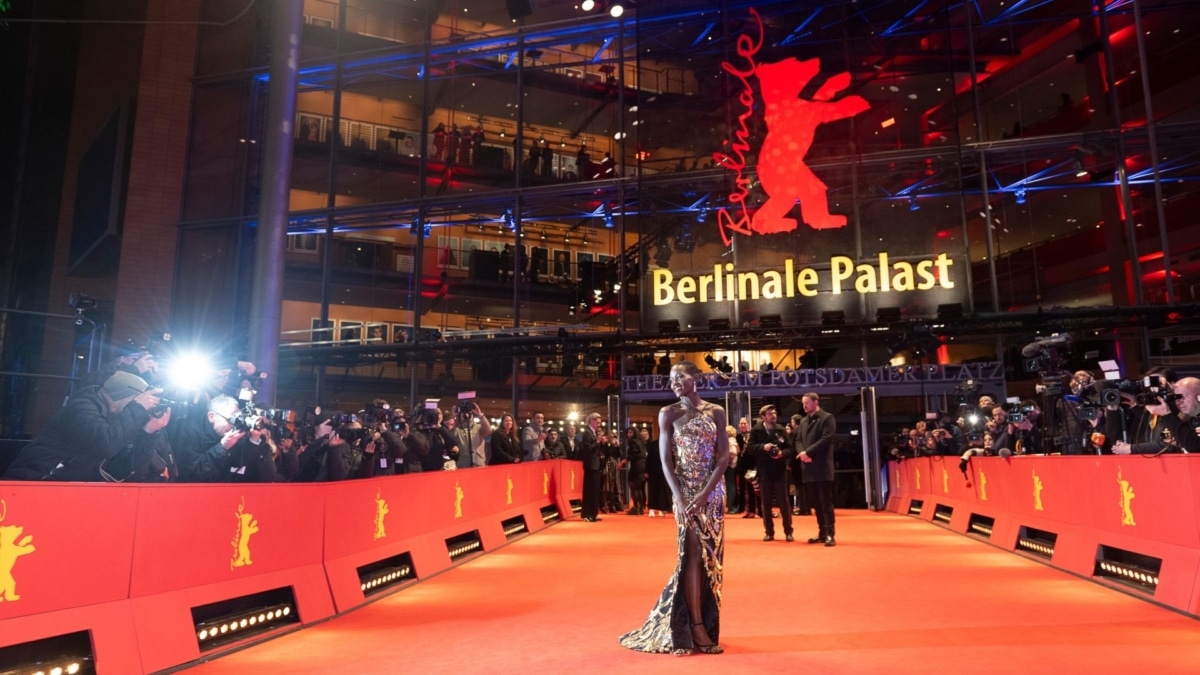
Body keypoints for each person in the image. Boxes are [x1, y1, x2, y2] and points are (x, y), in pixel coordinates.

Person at [619, 360, 728, 655]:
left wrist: (706, 493)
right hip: (684, 492)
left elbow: (723, 457)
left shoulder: (716, 412)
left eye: (679, 376)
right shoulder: (668, 413)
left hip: (713, 494)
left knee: (710, 559)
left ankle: (702, 619)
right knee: (691, 554)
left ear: (696, 378)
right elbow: (666, 460)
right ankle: (694, 626)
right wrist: (679, 499)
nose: (674, 382)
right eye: (671, 379)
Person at [3, 371, 167, 481]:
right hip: (35, 483)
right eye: (140, 400)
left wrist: (149, 432)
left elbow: (129, 472)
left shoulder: (119, 417)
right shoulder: (81, 408)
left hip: (71, 490)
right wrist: (136, 407)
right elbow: (106, 445)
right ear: (121, 395)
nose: (146, 407)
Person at [748, 404, 794, 542]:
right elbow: (750, 448)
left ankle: (788, 531)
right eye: (769, 413)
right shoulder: (756, 430)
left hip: (779, 470)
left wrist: (781, 454)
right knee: (766, 503)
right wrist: (764, 447)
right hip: (764, 471)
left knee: (784, 503)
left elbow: (790, 449)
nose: (773, 415)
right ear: (763, 416)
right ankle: (769, 532)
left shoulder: (780, 429)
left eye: (774, 413)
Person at [796, 392, 837, 546]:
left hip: (822, 467)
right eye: (803, 403)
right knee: (816, 503)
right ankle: (821, 532)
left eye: (806, 402)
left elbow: (826, 439)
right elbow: (798, 439)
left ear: (815, 402)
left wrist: (808, 452)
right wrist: (802, 453)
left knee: (826, 502)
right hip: (807, 467)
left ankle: (830, 534)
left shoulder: (827, 418)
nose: (804, 405)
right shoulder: (804, 421)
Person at [578, 412, 606, 522]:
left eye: (600, 422)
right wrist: (598, 441)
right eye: (597, 422)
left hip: (596, 465)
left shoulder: (593, 433)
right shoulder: (587, 433)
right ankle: (588, 514)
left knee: (595, 490)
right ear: (591, 421)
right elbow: (587, 449)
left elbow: (595, 448)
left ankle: (593, 514)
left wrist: (601, 442)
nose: (599, 424)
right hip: (590, 465)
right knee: (590, 490)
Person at [733, 416, 758, 518]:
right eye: (741, 423)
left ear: (748, 425)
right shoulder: (737, 436)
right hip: (742, 465)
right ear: (739, 425)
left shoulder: (753, 435)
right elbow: (738, 452)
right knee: (743, 488)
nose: (743, 425)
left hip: (751, 465)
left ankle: (754, 510)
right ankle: (744, 509)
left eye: (745, 423)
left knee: (752, 488)